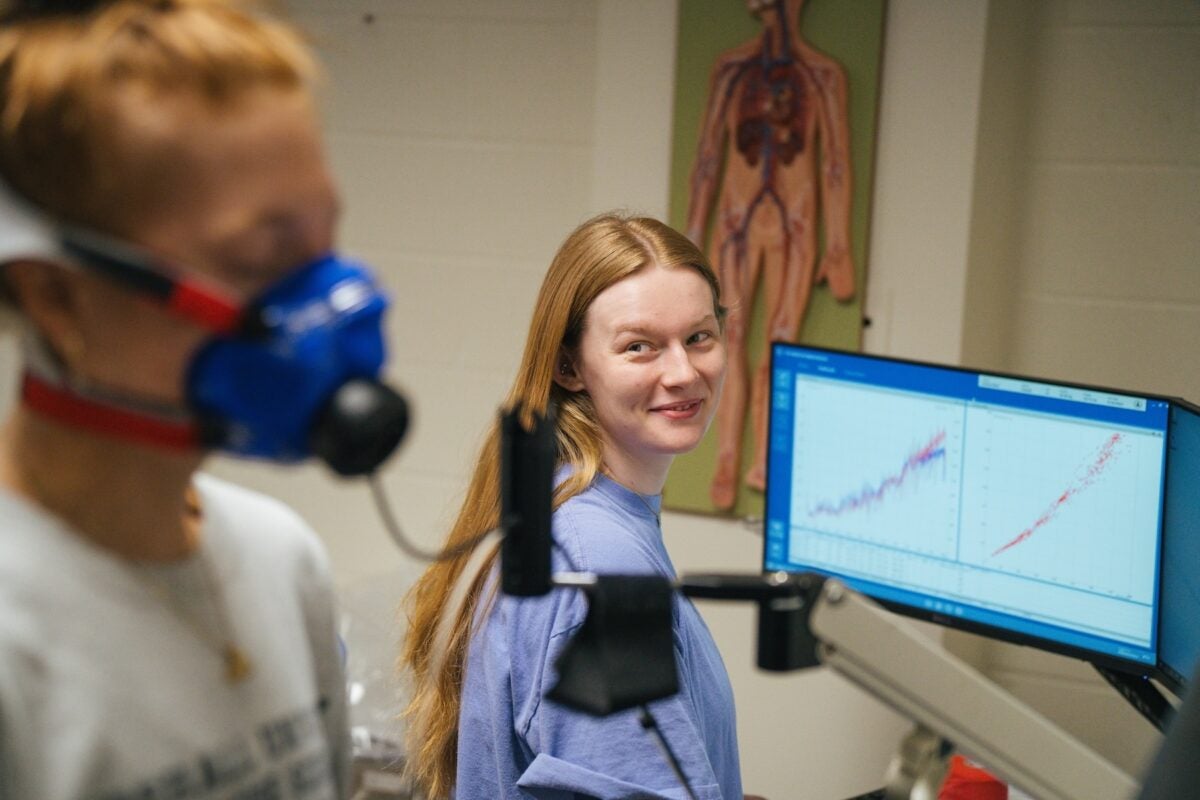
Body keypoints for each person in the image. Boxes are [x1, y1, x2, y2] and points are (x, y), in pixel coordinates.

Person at [0, 0, 391, 796]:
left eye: (327, 243)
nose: (333, 301)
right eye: (262, 257)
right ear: (56, 298)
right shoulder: (18, 636)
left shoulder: (282, 561)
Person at [402, 214, 745, 799]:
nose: (683, 372)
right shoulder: (599, 562)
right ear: (569, 367)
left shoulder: (565, 512)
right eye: (640, 347)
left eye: (699, 337)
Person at [685, 0, 855, 510]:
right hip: (736, 222)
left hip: (794, 224)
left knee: (780, 341)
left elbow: (835, 162)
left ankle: (763, 459)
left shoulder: (821, 75)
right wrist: (688, 241)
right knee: (727, 340)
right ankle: (728, 455)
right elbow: (708, 158)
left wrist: (840, 242)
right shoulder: (732, 69)